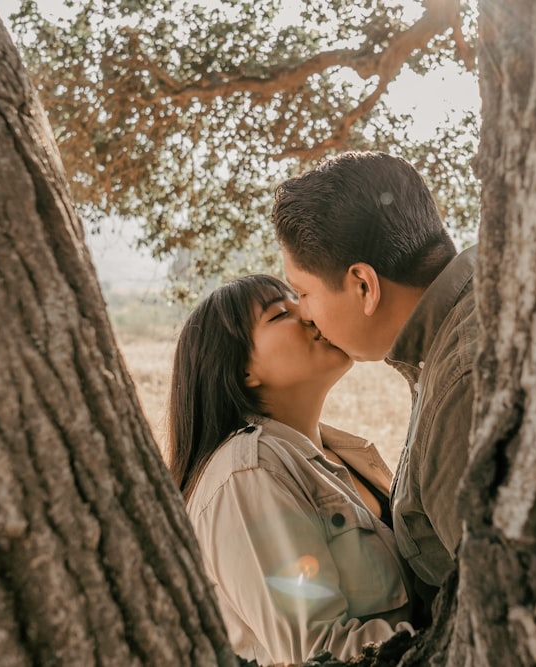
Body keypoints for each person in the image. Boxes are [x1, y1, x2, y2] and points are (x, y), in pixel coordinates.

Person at [164, 274, 414, 666]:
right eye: (281, 314)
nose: (311, 314)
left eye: (305, 301)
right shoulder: (247, 474)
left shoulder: (344, 453)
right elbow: (313, 653)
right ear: (244, 370)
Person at [272, 151, 478, 607]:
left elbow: (499, 613)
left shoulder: (464, 385)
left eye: (303, 292)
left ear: (363, 285)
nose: (302, 312)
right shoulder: (464, 327)